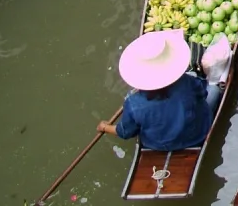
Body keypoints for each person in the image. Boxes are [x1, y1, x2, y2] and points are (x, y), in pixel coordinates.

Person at [96, 29, 225, 151]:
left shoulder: (133, 103)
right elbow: (203, 92)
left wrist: (105, 127)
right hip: (197, 135)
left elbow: (125, 132)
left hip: (158, 145)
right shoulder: (186, 82)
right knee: (214, 89)